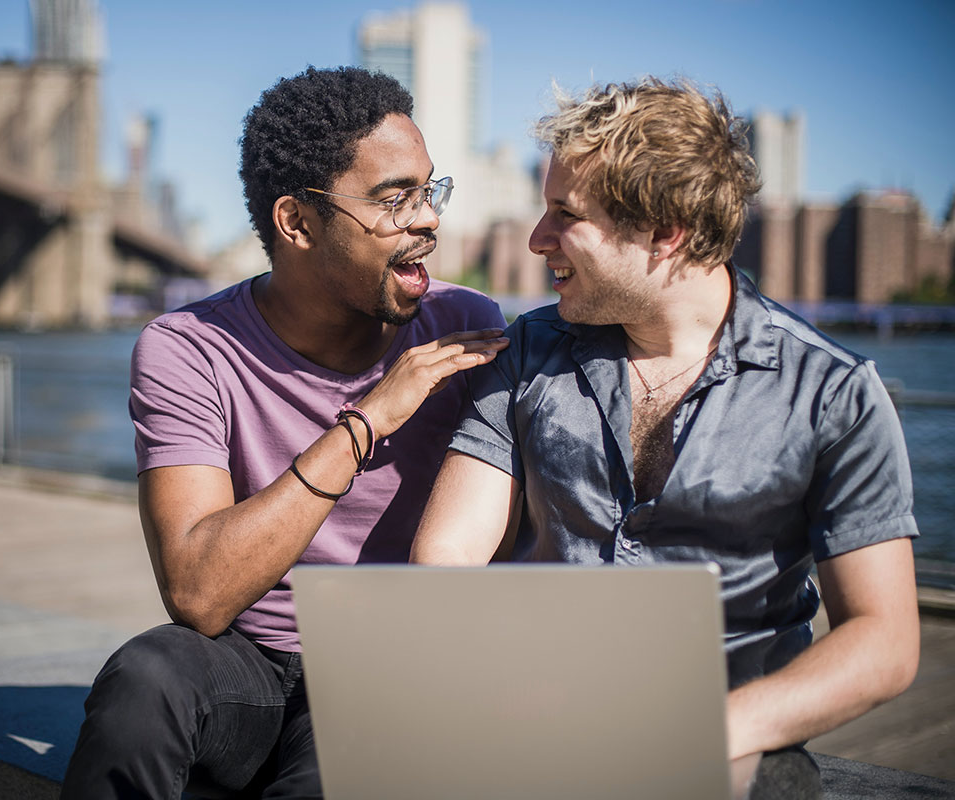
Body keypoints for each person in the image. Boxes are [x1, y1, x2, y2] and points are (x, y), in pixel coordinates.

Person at [410, 77, 919, 798]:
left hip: (729, 746)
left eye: (565, 214)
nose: (536, 239)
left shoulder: (833, 393)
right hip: (531, 719)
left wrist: (706, 735)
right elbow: (448, 552)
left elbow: (885, 641)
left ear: (664, 231)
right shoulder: (529, 351)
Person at [60, 66, 506, 799]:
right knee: (145, 675)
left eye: (430, 191)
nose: (428, 219)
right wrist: (365, 424)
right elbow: (199, 595)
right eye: (395, 199)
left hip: (388, 673)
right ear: (297, 222)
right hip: (249, 668)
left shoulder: (466, 327)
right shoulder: (188, 348)